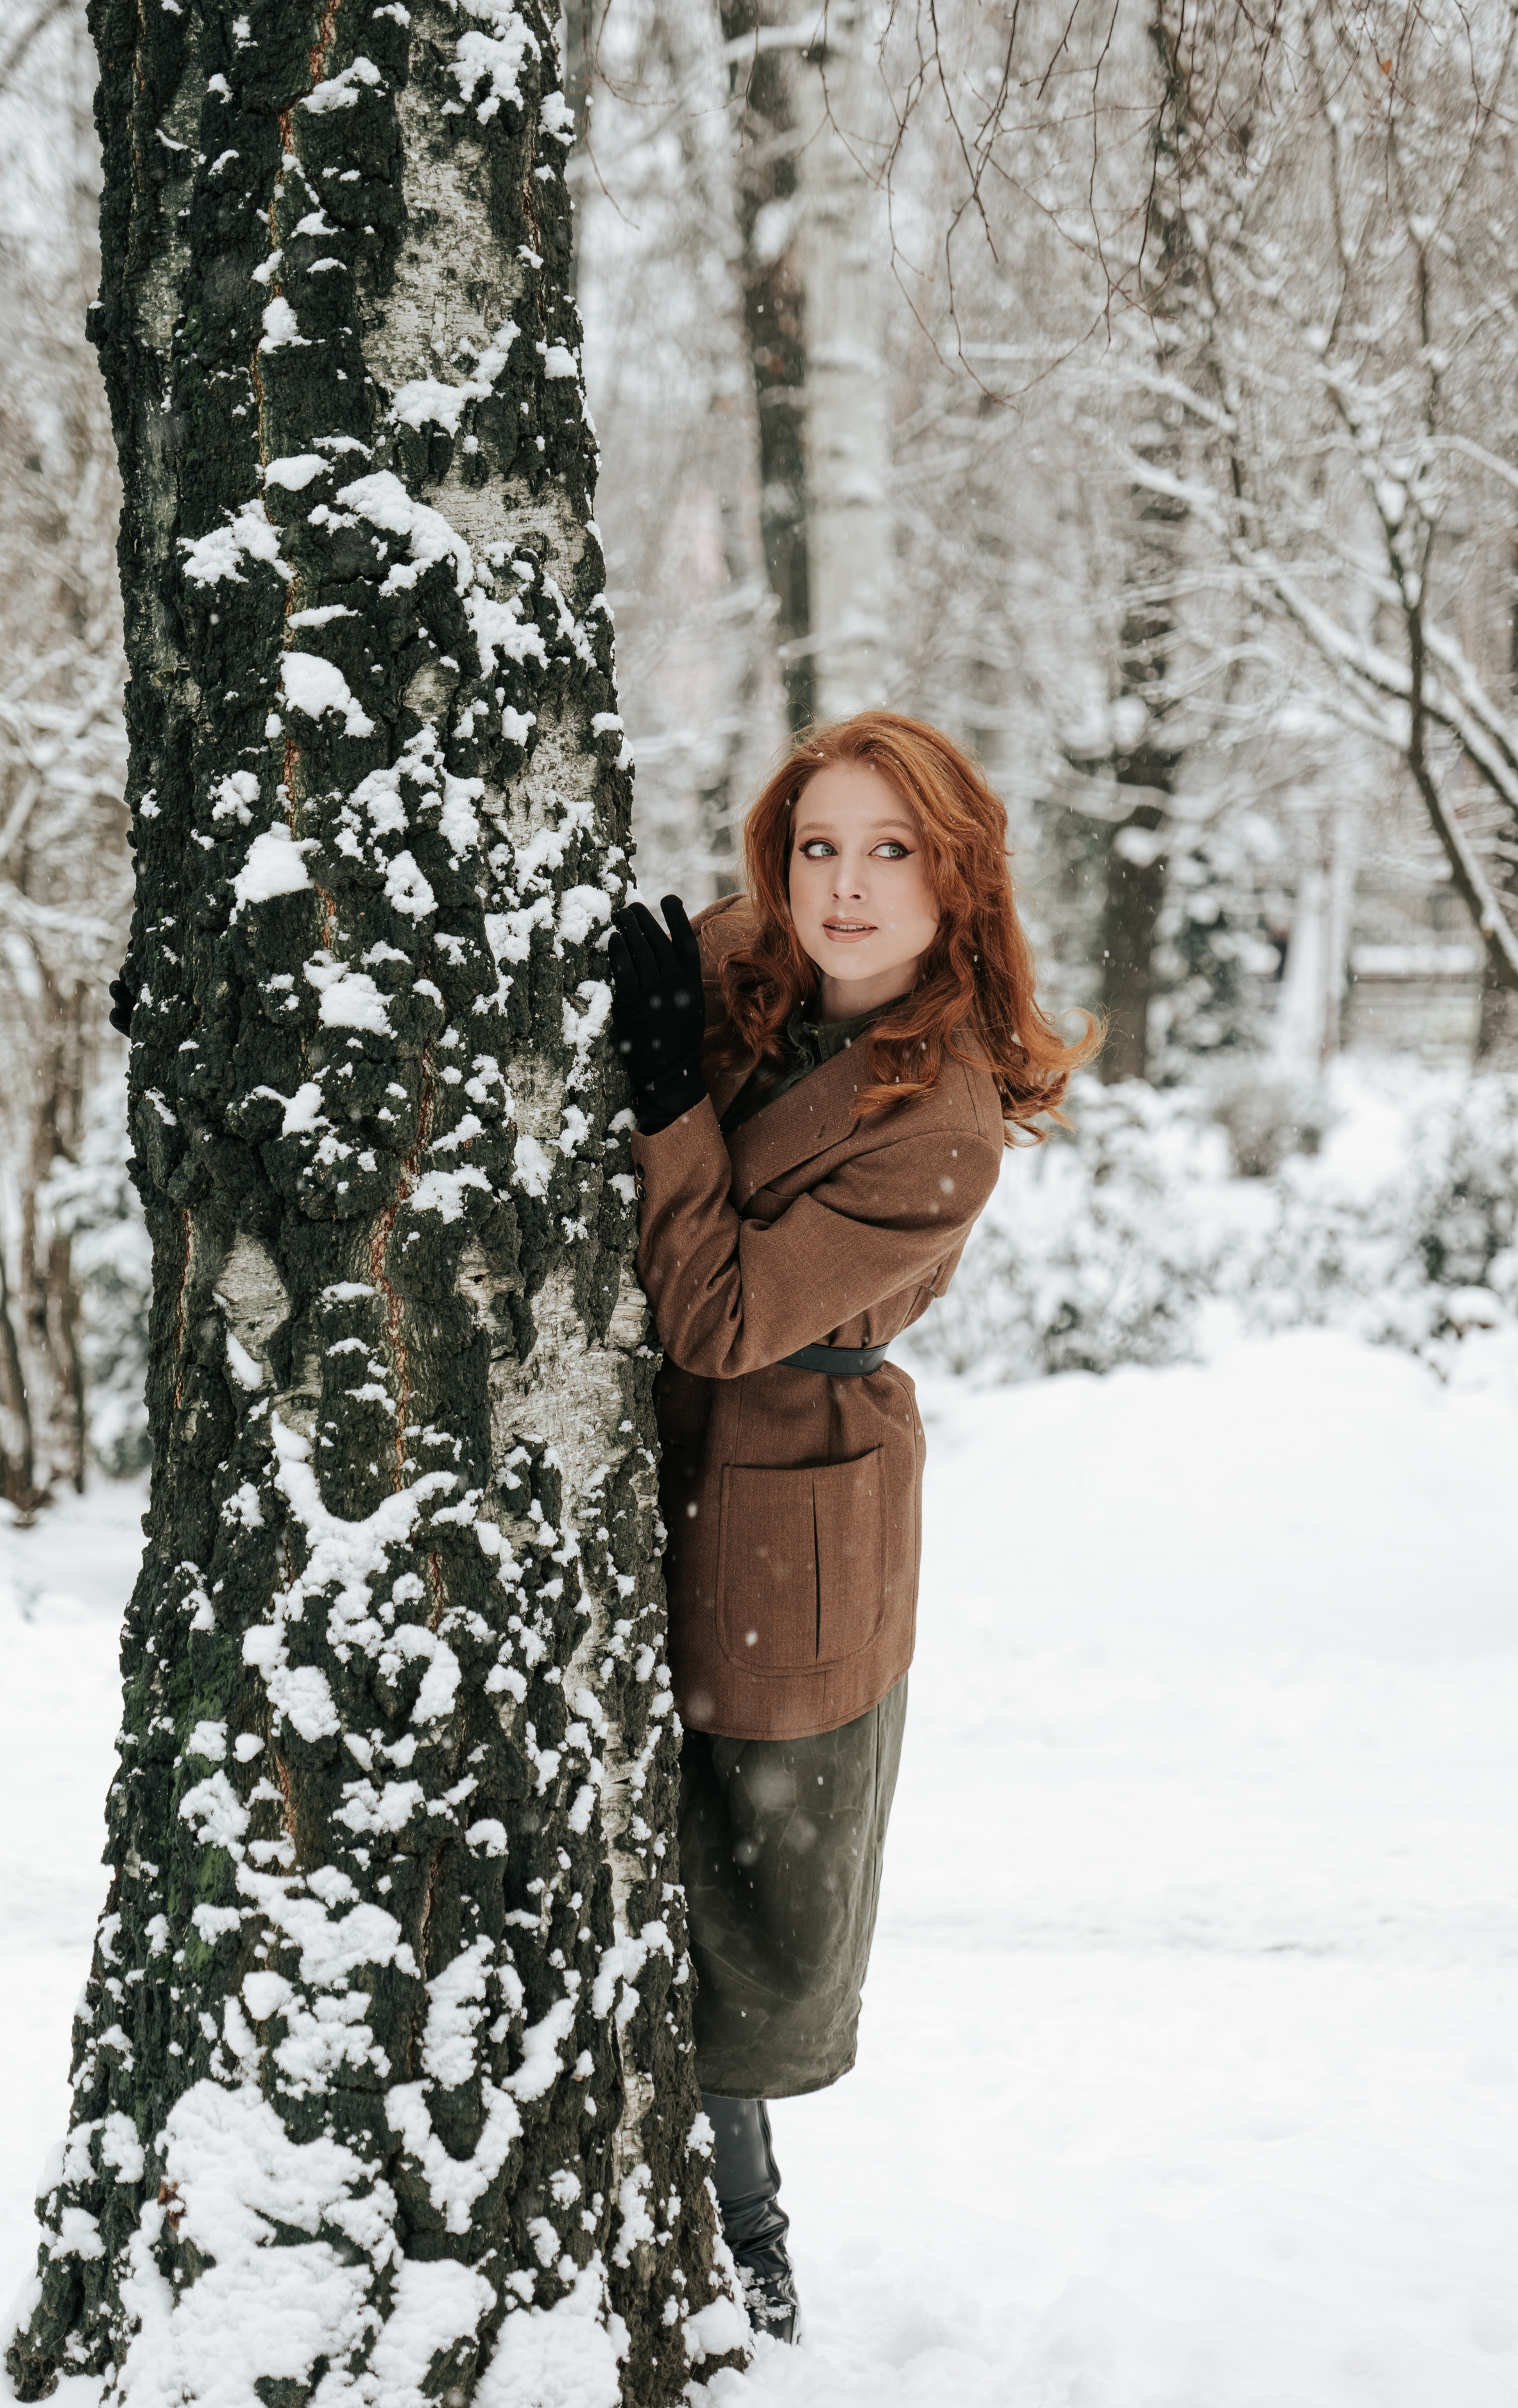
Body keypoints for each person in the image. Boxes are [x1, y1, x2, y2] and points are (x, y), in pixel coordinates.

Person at [607, 710, 1093, 2343]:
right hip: (635, 1466)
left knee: (738, 1887)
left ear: (955, 875)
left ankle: (747, 2250)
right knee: (630, 1843)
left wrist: (666, 1102)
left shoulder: (940, 1117)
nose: (845, 884)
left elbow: (719, 1315)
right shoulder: (742, 962)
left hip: (789, 1484)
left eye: (892, 849)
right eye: (819, 844)